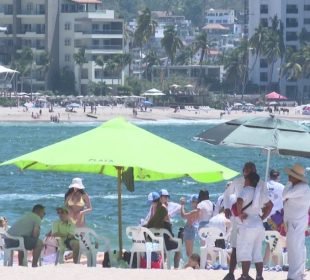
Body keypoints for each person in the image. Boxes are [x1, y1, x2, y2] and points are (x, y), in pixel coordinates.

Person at [222, 162, 272, 280]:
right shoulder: (238, 181)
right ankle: (232, 273)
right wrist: (226, 207)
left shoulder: (260, 184)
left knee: (247, 248)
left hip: (247, 219)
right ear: (243, 170)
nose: (248, 173)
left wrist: (262, 216)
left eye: (251, 171)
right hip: (247, 220)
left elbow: (240, 201)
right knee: (236, 246)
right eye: (247, 170)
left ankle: (245, 275)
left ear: (254, 171)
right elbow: (227, 193)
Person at [236, 172, 273, 280]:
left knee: (246, 250)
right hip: (258, 222)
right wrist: (262, 217)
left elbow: (239, 201)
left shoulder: (246, 190)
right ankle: (259, 276)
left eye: (245, 178)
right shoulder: (260, 192)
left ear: (249, 180)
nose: (244, 181)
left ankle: (245, 275)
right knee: (257, 251)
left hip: (248, 223)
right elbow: (270, 206)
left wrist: (240, 214)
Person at [283, 164, 310, 280]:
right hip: (295, 222)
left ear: (297, 177)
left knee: (295, 249)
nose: (289, 177)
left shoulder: (302, 187)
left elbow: (284, 195)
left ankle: (295, 276)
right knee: (295, 248)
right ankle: (297, 275)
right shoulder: (299, 187)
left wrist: (288, 184)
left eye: (291, 175)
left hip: (296, 223)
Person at [263, 169, 285, 268]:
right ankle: (276, 264)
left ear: (269, 176)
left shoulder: (264, 186)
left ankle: (266, 263)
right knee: (274, 240)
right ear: (278, 177)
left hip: (264, 218)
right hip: (275, 218)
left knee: (271, 240)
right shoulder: (281, 187)